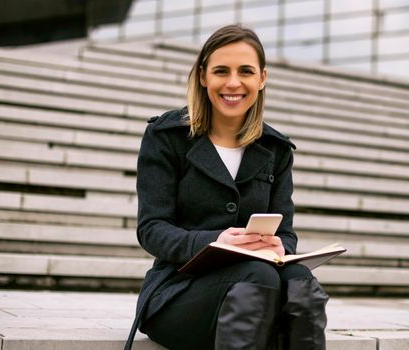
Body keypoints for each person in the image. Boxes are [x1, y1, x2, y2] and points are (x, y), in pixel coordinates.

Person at [124, 24, 329, 350]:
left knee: (301, 282)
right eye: (222, 71)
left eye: (245, 71)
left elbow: (286, 232)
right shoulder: (167, 138)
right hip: (178, 292)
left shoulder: (275, 150)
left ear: (262, 78)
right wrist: (214, 241)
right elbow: (151, 228)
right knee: (258, 278)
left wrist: (279, 249)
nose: (233, 82)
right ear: (203, 76)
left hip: (255, 287)